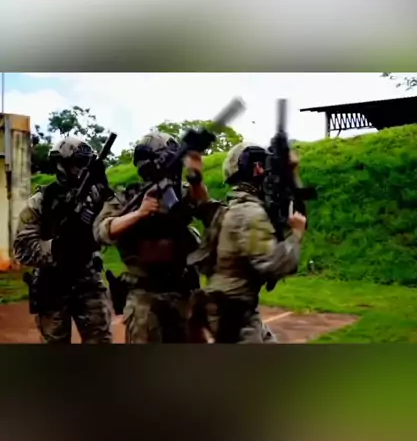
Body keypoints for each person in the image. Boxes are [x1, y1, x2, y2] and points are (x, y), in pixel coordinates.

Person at [93, 132, 219, 344]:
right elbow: (103, 230)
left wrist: (196, 180)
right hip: (144, 294)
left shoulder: (179, 192)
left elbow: (207, 210)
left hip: (181, 290)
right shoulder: (128, 197)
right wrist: (139, 213)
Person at [188, 142, 307, 343]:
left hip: (234, 307)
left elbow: (204, 204)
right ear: (256, 168)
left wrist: (291, 173)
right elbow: (273, 264)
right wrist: (296, 235)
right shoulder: (250, 214)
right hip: (232, 313)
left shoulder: (235, 209)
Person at [13, 137, 113, 344]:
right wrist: (57, 247)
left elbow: (116, 220)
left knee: (100, 342)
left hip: (87, 279)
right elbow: (22, 248)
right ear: (61, 165)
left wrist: (104, 188)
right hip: (53, 283)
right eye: (78, 163)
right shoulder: (41, 201)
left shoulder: (95, 195)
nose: (83, 168)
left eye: (86, 163)